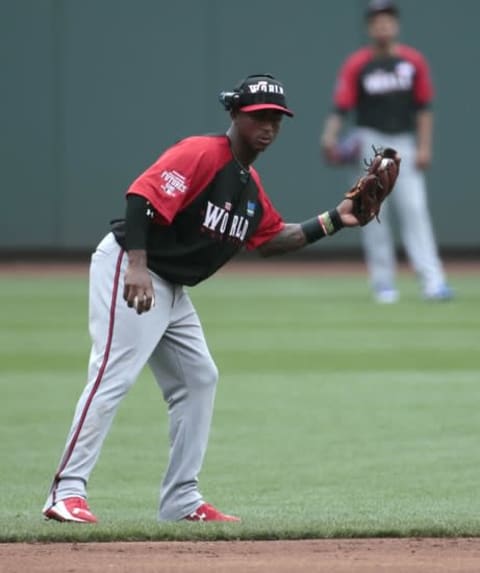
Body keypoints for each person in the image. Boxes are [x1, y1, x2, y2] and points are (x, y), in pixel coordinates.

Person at [43, 73, 373, 525]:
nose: (268, 126)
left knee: (199, 378)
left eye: (276, 118)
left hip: (171, 285)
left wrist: (336, 218)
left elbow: (274, 238)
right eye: (259, 115)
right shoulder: (202, 153)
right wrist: (137, 267)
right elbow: (142, 196)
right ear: (235, 114)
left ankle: (181, 500)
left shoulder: (247, 183)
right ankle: (65, 492)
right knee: (112, 374)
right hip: (132, 266)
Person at [321, 0, 453, 303]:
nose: (383, 25)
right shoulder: (358, 64)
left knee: (415, 211)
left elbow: (423, 109)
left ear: (396, 25)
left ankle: (433, 281)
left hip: (404, 142)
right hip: (371, 140)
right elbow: (341, 107)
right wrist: (329, 137)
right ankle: (383, 283)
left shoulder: (412, 62)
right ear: (370, 27)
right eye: (377, 20)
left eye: (388, 19)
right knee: (370, 211)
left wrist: (424, 146)